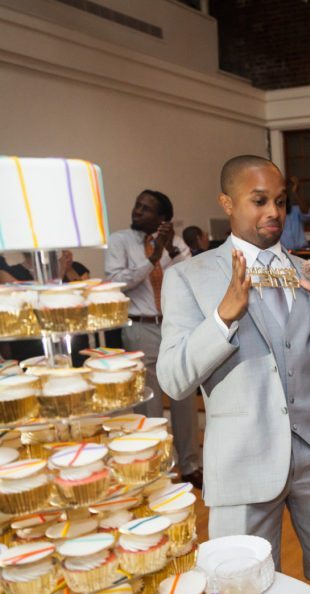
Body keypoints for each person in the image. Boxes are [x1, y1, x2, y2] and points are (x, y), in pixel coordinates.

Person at [156, 155, 310, 594]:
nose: (274, 212)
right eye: (259, 201)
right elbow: (173, 380)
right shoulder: (188, 278)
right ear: (227, 202)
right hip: (243, 457)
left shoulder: (307, 271)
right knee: (242, 591)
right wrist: (222, 318)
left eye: (280, 201)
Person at [104, 190, 201, 486]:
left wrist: (170, 248)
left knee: (184, 397)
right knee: (149, 403)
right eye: (137, 205)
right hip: (140, 327)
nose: (138, 211)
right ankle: (156, 469)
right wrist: (152, 258)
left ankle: (190, 464)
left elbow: (193, 273)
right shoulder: (120, 241)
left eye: (146, 209)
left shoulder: (174, 242)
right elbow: (114, 282)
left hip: (175, 327)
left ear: (162, 219)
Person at [279, 175, 310, 252]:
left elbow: (307, 213)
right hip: (284, 253)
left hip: (302, 250)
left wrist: (296, 192)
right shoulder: (276, 213)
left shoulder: (296, 210)